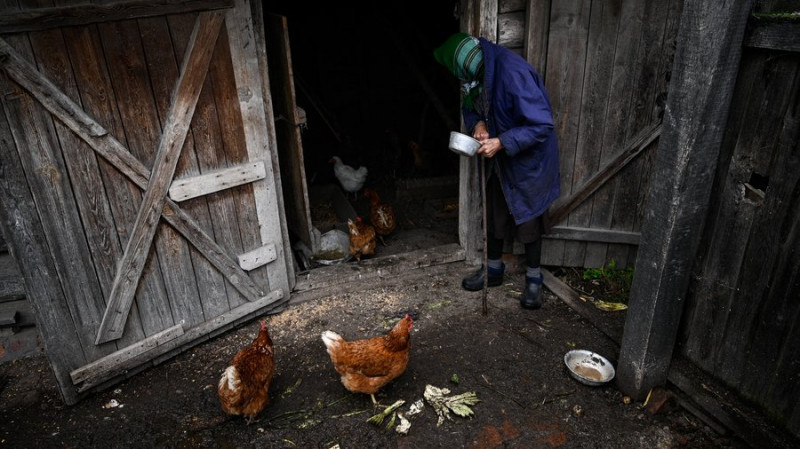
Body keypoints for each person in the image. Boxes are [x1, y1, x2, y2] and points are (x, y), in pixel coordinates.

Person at [433, 32, 560, 309]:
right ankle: (493, 271)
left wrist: (502, 141)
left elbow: (542, 125)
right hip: (499, 157)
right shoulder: (477, 74)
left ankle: (534, 281)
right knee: (494, 212)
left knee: (529, 220)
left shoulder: (514, 74)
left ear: (467, 63)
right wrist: (478, 124)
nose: (462, 80)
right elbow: (473, 107)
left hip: (528, 160)